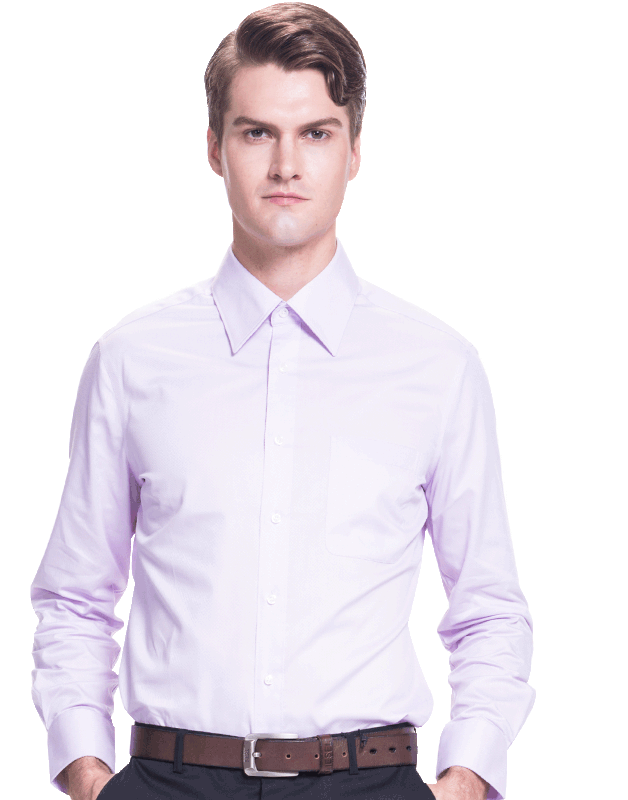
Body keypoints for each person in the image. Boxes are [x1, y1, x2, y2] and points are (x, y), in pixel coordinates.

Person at [30, 4, 535, 799]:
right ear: (214, 147)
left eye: (317, 133)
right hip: (171, 781)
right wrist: (89, 775)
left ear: (355, 150)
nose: (286, 165)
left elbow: (490, 609)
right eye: (257, 132)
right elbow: (75, 596)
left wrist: (466, 777)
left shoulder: (438, 367)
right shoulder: (132, 360)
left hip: (367, 782)